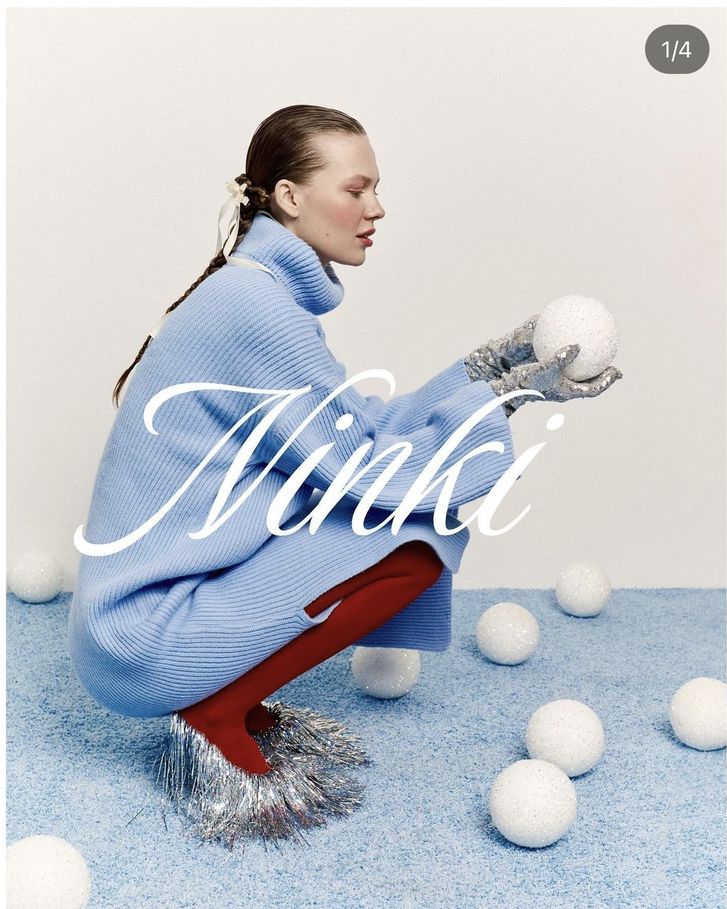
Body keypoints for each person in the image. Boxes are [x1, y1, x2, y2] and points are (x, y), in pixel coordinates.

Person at [68, 104, 621, 783]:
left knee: (404, 519)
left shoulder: (254, 293)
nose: (377, 207)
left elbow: (353, 432)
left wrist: (491, 369)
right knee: (417, 541)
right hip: (141, 637)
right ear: (291, 198)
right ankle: (217, 710)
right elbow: (363, 466)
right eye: (356, 189)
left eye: (376, 189)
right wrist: (511, 396)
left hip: (146, 616)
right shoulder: (253, 309)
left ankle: (225, 696)